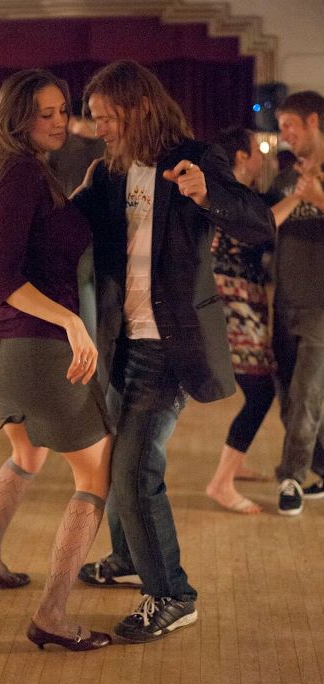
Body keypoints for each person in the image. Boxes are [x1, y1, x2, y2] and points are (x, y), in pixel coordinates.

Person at [69, 60, 275, 642]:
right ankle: (128, 557)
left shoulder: (194, 158)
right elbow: (68, 230)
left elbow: (260, 224)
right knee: (115, 458)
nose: (98, 129)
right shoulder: (108, 173)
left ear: (137, 108)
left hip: (171, 344)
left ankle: (173, 595)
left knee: (135, 469)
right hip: (121, 341)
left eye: (106, 117)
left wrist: (209, 194)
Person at [0, 69, 113, 652]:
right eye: (44, 113)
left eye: (62, 111)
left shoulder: (11, 169)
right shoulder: (23, 171)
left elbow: (14, 248)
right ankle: (52, 614)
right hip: (37, 347)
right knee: (95, 476)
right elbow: (3, 276)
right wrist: (72, 321)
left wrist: (78, 200)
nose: (59, 122)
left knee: (27, 453)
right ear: (18, 118)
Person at [206, 126, 308, 514]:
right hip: (231, 301)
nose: (264, 156)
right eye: (257, 149)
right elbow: (261, 225)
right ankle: (221, 482)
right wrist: (300, 195)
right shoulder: (229, 194)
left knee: (256, 389)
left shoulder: (237, 193)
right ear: (241, 156)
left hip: (240, 298)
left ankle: (235, 462)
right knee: (261, 392)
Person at [265, 91, 324, 515]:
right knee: (289, 395)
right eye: (281, 126)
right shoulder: (284, 180)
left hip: (321, 308)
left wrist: (318, 198)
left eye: (290, 125)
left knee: (305, 394)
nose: (284, 134)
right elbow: (264, 224)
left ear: (313, 122)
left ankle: (291, 477)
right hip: (284, 303)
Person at [49, 107, 105, 340]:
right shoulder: (109, 146)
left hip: (74, 224)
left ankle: (90, 344)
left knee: (81, 285)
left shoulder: (62, 148)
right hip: (108, 227)